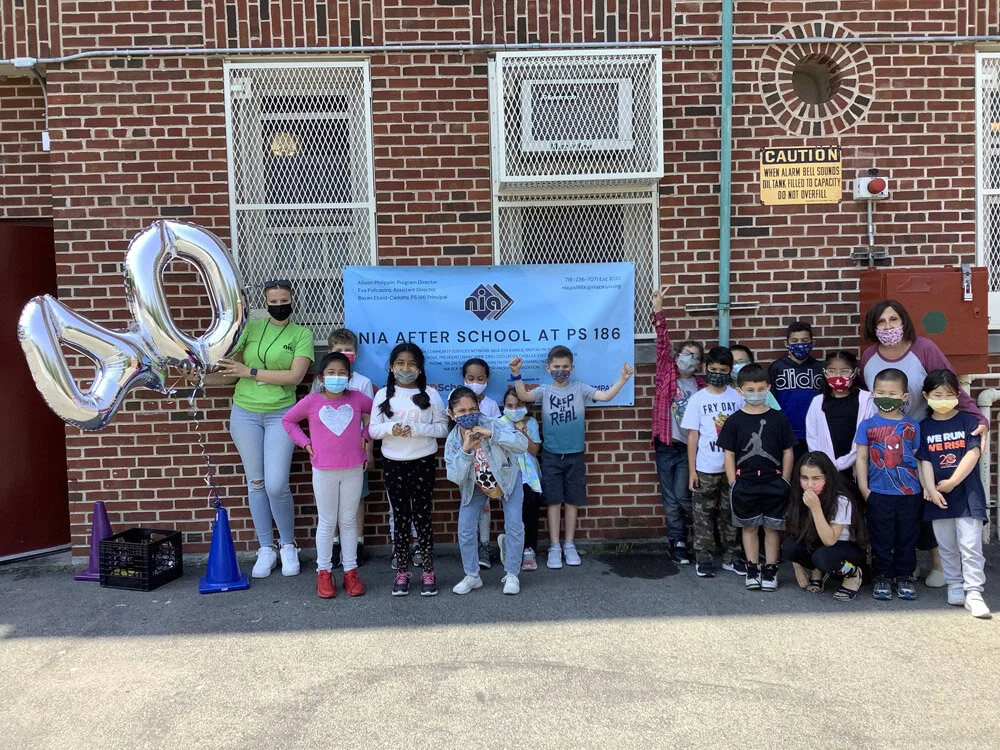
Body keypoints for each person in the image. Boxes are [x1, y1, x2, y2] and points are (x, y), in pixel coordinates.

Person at [860, 299, 989, 588]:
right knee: (899, 508)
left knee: (928, 498)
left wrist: (979, 417)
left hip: (924, 435)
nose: (888, 327)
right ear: (873, 326)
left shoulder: (924, 349)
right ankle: (906, 566)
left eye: (893, 320)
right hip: (886, 442)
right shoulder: (868, 356)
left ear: (904, 321)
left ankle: (938, 564)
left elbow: (949, 386)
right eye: (881, 322)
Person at [216, 279, 314, 579]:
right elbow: (231, 371)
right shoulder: (250, 329)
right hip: (245, 413)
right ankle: (266, 547)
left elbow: (294, 377)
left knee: (276, 484)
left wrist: (251, 372)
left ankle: (288, 544)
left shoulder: (302, 334)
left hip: (280, 414)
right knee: (256, 483)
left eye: (284, 301)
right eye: (273, 302)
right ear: (265, 303)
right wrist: (195, 378)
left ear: (293, 301)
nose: (279, 306)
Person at [509, 346, 634, 569]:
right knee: (553, 501)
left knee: (572, 501)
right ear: (548, 368)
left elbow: (605, 396)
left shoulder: (579, 388)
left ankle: (569, 544)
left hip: (575, 454)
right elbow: (524, 396)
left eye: (565, 366)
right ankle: (555, 546)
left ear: (572, 368)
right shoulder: (545, 391)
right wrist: (517, 374)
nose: (561, 370)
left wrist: (623, 379)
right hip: (551, 455)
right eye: (556, 366)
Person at [282, 352, 372, 598]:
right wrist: (305, 443)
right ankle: (324, 571)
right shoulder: (311, 401)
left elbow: (379, 413)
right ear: (321, 377)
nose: (336, 377)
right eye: (331, 373)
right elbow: (288, 421)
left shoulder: (357, 398)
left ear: (349, 377)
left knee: (348, 520)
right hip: (323, 469)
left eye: (342, 373)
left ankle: (350, 571)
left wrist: (366, 436)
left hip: (353, 468)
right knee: (327, 521)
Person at [368, 342, 449, 596]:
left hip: (423, 461)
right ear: (392, 367)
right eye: (400, 364)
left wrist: (418, 429)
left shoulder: (431, 395)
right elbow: (373, 430)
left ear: (420, 369)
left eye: (411, 364)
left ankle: (428, 571)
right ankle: (402, 571)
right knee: (401, 517)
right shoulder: (383, 395)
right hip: (393, 462)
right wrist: (391, 428)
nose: (406, 369)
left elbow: (443, 428)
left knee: (423, 516)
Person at [916, 369, 992, 619]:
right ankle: (955, 585)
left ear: (958, 395)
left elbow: (973, 453)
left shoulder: (968, 421)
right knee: (947, 545)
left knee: (970, 545)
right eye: (938, 395)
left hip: (967, 494)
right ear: (926, 396)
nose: (944, 399)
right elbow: (924, 460)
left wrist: (952, 482)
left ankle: (974, 592)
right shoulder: (924, 427)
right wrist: (930, 489)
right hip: (938, 496)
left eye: (949, 394)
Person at [718, 363, 796, 591]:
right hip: (745, 483)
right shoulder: (734, 421)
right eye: (750, 390)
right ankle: (752, 568)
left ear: (768, 388)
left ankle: (770, 569)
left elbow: (788, 451)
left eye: (761, 388)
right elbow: (729, 453)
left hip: (774, 482)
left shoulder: (778, 419)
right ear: (740, 391)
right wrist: (733, 482)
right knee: (749, 527)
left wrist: (785, 480)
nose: (756, 393)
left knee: (772, 527)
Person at [444, 387, 529, 595]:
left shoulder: (494, 423)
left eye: (472, 409)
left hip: (507, 479)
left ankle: (512, 574)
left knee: (514, 525)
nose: (468, 414)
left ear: (479, 408)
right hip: (476, 485)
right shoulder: (453, 441)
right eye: (461, 411)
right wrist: (465, 449)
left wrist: (493, 434)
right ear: (451, 414)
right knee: (465, 528)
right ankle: (472, 576)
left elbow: (522, 444)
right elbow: (455, 476)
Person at [855, 368, 922, 601]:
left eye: (892, 394)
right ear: (873, 393)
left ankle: (904, 576)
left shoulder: (912, 426)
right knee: (881, 538)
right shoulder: (867, 425)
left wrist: (924, 488)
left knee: (907, 538)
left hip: (910, 494)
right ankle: (882, 576)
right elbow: (861, 458)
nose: (886, 397)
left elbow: (917, 459)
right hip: (878, 492)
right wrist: (864, 488)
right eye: (881, 392)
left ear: (904, 397)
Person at [309, 328, 375, 568]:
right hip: (327, 455)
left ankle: (357, 542)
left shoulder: (362, 383)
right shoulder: (321, 383)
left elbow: (370, 417)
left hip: (355, 453)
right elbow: (312, 414)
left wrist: (368, 450)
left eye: (349, 350)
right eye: (339, 350)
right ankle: (335, 544)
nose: (344, 353)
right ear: (329, 352)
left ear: (356, 354)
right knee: (330, 504)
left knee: (357, 498)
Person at [679, 346, 745, 579]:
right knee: (702, 516)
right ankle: (704, 559)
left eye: (723, 370)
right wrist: (692, 471)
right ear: (706, 368)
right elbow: (693, 436)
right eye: (713, 369)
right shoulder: (697, 399)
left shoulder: (737, 397)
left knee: (731, 513)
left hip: (732, 468)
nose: (717, 374)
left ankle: (732, 557)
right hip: (705, 467)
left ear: (730, 371)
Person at [650, 286, 704, 565]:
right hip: (665, 444)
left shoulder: (702, 385)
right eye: (685, 353)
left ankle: (704, 535)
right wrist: (659, 310)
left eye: (695, 356)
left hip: (688, 449)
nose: (689, 359)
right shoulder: (666, 374)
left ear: (700, 363)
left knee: (683, 495)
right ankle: (678, 541)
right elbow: (662, 344)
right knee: (669, 498)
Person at [782, 452, 868, 602]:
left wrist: (816, 508)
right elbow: (794, 531)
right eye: (805, 478)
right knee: (790, 547)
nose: (809, 484)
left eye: (816, 478)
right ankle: (817, 570)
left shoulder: (841, 500)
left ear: (827, 478)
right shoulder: (799, 496)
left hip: (844, 547)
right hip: (818, 544)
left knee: (823, 557)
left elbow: (830, 540)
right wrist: (798, 568)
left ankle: (853, 573)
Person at [805, 350, 875, 495]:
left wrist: (844, 462)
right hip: (826, 469)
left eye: (844, 371)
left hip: (858, 468)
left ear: (854, 372)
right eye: (832, 371)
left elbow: (868, 436)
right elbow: (812, 438)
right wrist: (826, 464)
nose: (838, 376)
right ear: (825, 373)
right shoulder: (818, 402)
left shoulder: (866, 400)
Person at [460, 357, 502, 571]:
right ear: (463, 379)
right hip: (466, 462)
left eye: (480, 378)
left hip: (487, 464)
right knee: (468, 504)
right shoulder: (456, 400)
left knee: (485, 504)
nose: (475, 382)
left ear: (487, 379)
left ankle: (484, 545)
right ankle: (470, 551)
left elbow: (498, 431)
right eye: (470, 378)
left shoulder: (491, 405)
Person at [767, 321, 825, 462]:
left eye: (804, 340)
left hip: (814, 431)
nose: (799, 344)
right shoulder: (777, 367)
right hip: (786, 431)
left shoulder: (820, 368)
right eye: (794, 341)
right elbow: (770, 400)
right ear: (786, 343)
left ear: (812, 342)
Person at [500, 387, 544, 571]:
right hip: (511, 475)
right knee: (515, 514)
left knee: (531, 510)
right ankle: (512, 546)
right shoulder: (500, 424)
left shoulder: (531, 423)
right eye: (509, 405)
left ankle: (529, 549)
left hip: (530, 475)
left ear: (526, 406)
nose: (514, 409)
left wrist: (523, 433)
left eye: (518, 405)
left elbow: (534, 451)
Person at [730, 344, 781, 411]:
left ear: (750, 363)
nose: (736, 365)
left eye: (741, 362)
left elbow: (776, 413)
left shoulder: (762, 391)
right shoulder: (723, 390)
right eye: (733, 362)